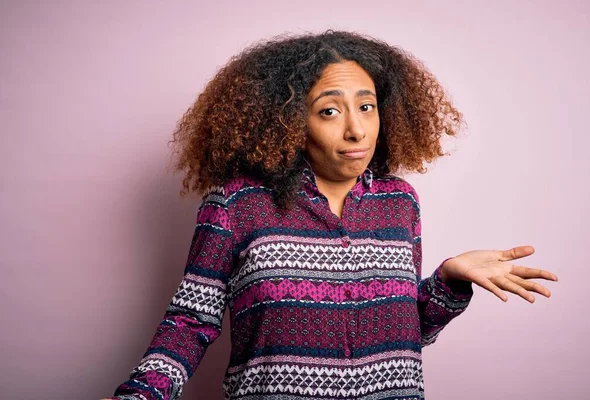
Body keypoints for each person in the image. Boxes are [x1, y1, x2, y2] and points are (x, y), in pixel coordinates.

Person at [103, 30, 558, 400]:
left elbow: (404, 333)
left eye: (366, 106)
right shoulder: (237, 205)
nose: (356, 128)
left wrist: (450, 280)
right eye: (329, 111)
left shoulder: (400, 202)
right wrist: (140, 396)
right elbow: (191, 322)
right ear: (287, 121)